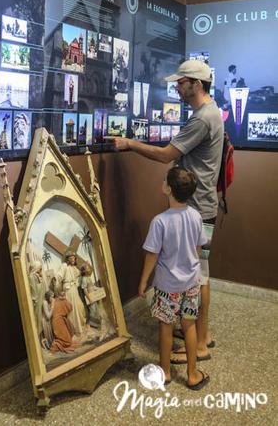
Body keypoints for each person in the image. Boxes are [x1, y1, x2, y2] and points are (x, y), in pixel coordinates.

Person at [107, 59, 223, 363]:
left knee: (200, 274)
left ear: (196, 85)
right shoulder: (210, 112)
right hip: (202, 206)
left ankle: (201, 342)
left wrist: (129, 143)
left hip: (198, 209)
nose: (177, 87)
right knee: (199, 272)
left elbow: (166, 155)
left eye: (181, 83)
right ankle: (201, 333)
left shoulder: (202, 118)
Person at [138, 167, 209, 390]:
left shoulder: (160, 221)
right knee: (189, 326)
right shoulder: (197, 216)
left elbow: (152, 254)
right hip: (191, 283)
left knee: (166, 327)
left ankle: (166, 373)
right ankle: (192, 374)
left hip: (166, 286)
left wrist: (143, 281)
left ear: (168, 189)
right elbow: (198, 250)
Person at [56, 251, 86, 335]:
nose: (73, 259)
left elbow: (79, 273)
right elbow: (59, 277)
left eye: (74, 257)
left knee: (80, 307)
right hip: (68, 290)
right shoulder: (64, 266)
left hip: (74, 289)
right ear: (67, 259)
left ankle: (80, 327)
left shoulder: (74, 268)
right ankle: (74, 330)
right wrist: (59, 290)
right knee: (72, 309)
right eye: (71, 257)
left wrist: (84, 268)